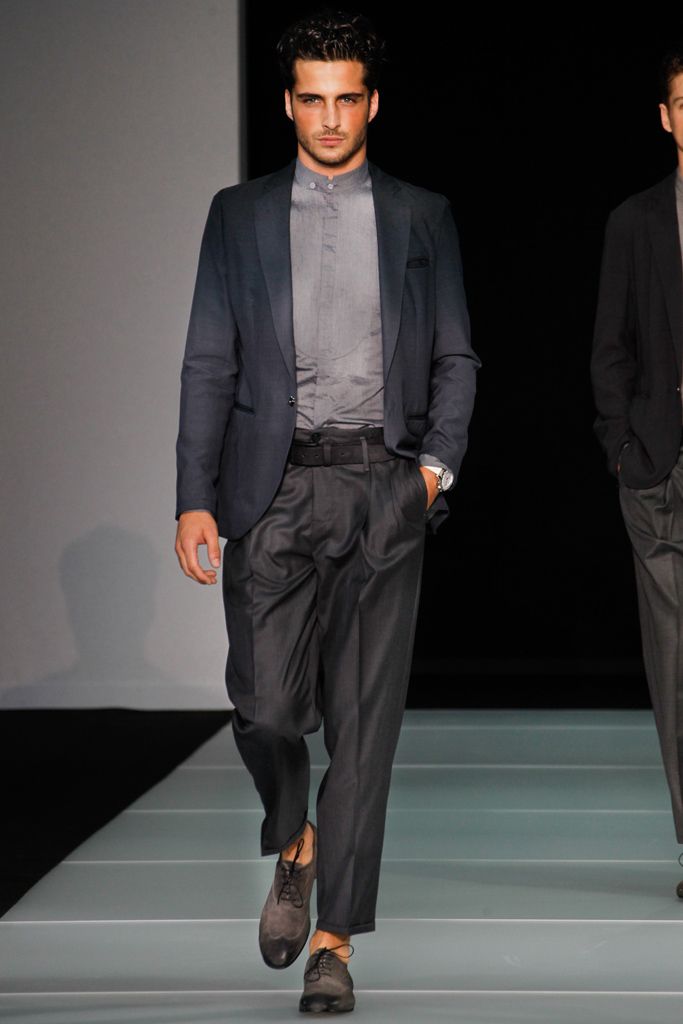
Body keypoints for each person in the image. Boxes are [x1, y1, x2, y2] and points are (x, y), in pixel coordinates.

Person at [174, 9, 479, 1013]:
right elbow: (209, 359)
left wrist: (429, 475)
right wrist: (195, 498)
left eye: (347, 98)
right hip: (273, 489)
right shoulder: (239, 215)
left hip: (383, 489)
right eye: (312, 98)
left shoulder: (422, 214)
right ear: (287, 103)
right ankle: (294, 839)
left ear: (373, 102)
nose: (331, 117)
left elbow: (455, 355)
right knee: (264, 708)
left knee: (361, 731)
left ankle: (335, 945)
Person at [591, 47, 683, 892]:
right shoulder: (635, 220)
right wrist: (623, 449)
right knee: (674, 665)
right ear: (665, 116)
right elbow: (608, 347)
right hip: (660, 469)